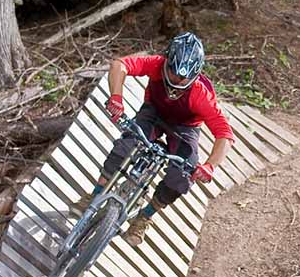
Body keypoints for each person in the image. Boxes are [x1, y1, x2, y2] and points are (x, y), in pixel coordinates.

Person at [85, 32, 233, 247]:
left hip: (184, 128)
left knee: (182, 177)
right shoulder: (156, 64)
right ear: (167, 62)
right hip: (153, 113)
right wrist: (116, 97)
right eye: (173, 73)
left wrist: (210, 166)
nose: (176, 81)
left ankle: (145, 216)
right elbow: (120, 65)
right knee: (125, 146)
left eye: (183, 78)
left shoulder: (201, 95)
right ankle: (95, 195)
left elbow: (224, 134)